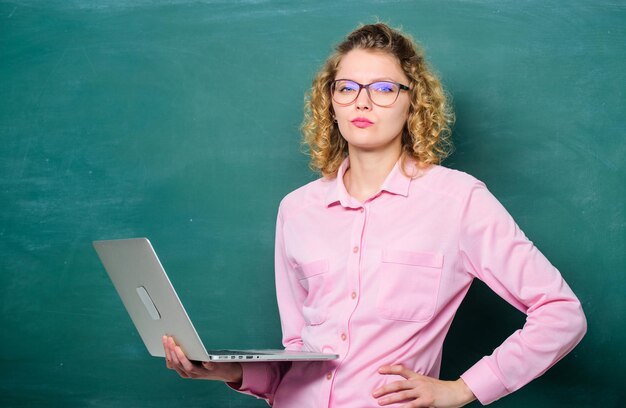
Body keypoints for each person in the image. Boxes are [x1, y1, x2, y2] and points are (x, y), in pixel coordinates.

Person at [163, 23, 587, 407]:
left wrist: (464, 388)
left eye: (383, 88)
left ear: (413, 102)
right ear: (330, 102)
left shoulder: (458, 200)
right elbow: (298, 357)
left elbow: (561, 312)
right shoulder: (297, 209)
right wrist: (230, 370)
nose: (361, 102)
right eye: (346, 87)